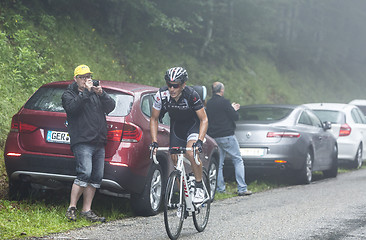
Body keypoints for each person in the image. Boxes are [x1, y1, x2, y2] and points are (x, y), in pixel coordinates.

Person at [62, 65, 116, 222]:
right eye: (83, 77)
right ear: (76, 79)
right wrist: (86, 92)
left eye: (88, 76)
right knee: (84, 173)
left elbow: (111, 107)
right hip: (83, 140)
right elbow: (72, 109)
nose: (87, 79)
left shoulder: (94, 93)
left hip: (99, 141)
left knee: (96, 177)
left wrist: (101, 93)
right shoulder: (69, 94)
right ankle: (72, 207)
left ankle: (87, 210)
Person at [150, 67, 208, 203]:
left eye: (175, 86)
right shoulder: (161, 94)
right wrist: (154, 141)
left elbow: (204, 119)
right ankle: (184, 197)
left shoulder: (191, 95)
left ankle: (199, 186)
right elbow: (154, 118)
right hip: (177, 127)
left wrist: (199, 140)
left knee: (190, 152)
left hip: (193, 126)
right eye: (169, 85)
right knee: (175, 159)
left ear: (183, 85)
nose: (171, 89)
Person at [206, 82, 252, 196]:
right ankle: (242, 188)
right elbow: (235, 117)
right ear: (221, 90)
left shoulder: (209, 103)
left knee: (219, 164)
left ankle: (220, 189)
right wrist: (233, 109)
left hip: (214, 137)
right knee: (238, 160)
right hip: (227, 136)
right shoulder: (225, 102)